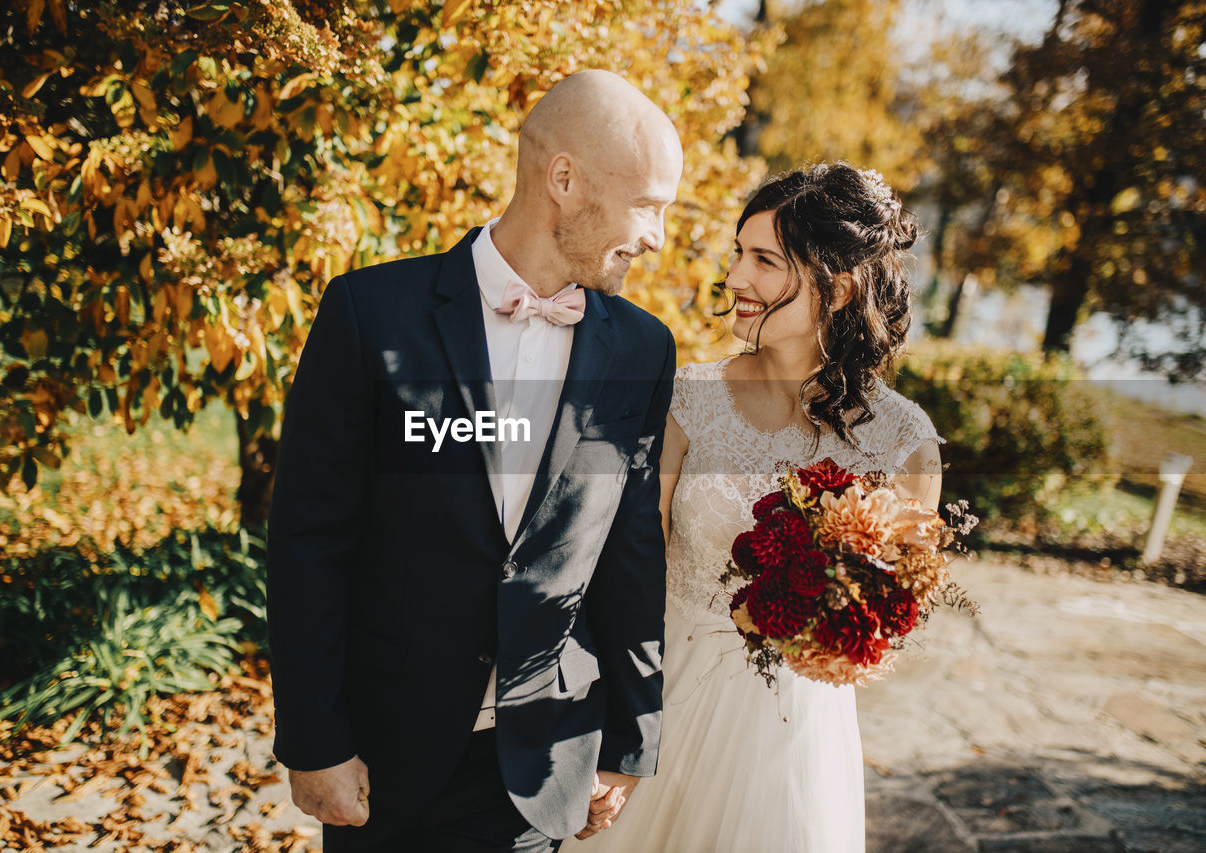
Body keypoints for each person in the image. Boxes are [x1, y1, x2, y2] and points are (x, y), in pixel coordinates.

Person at [265, 69, 684, 852]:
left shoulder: (642, 346)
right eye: (649, 205)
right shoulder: (369, 313)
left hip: (544, 764)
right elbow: (308, 541)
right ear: (563, 178)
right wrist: (313, 739)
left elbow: (630, 549)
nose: (658, 236)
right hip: (386, 758)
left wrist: (631, 740)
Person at [566, 163, 943, 851]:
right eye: (738, 253)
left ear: (838, 285)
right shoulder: (684, 397)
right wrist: (614, 731)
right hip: (661, 697)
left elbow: (889, 619)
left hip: (793, 734)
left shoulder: (906, 442)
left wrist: (828, 620)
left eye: (764, 259)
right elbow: (623, 575)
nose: (736, 277)